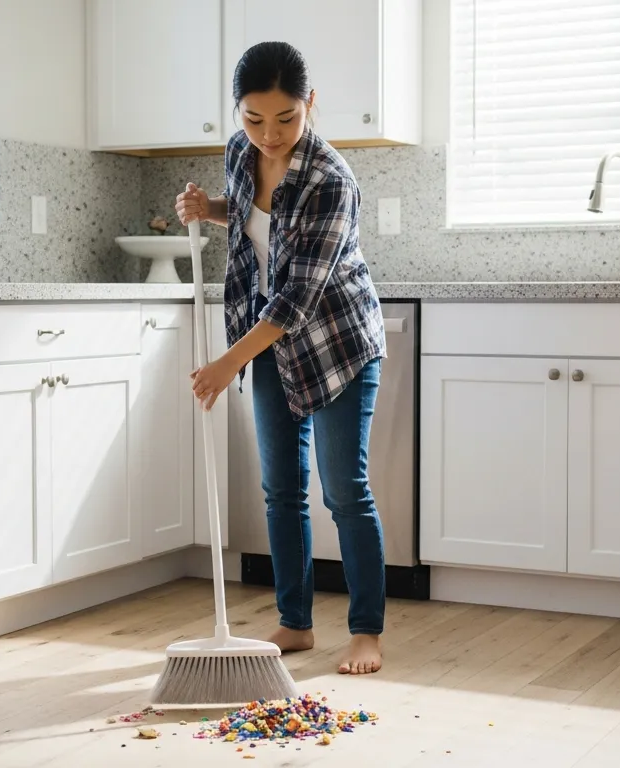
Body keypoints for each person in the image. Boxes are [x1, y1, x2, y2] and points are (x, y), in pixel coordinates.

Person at [174, 41, 388, 676]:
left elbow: (294, 300)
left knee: (344, 489)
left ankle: (366, 631)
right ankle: (295, 624)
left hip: (335, 346)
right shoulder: (241, 150)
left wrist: (223, 363)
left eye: (286, 119)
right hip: (266, 341)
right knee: (281, 490)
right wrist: (206, 209)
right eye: (253, 118)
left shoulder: (331, 181)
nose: (269, 135)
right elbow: (246, 213)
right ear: (237, 112)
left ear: (310, 105)